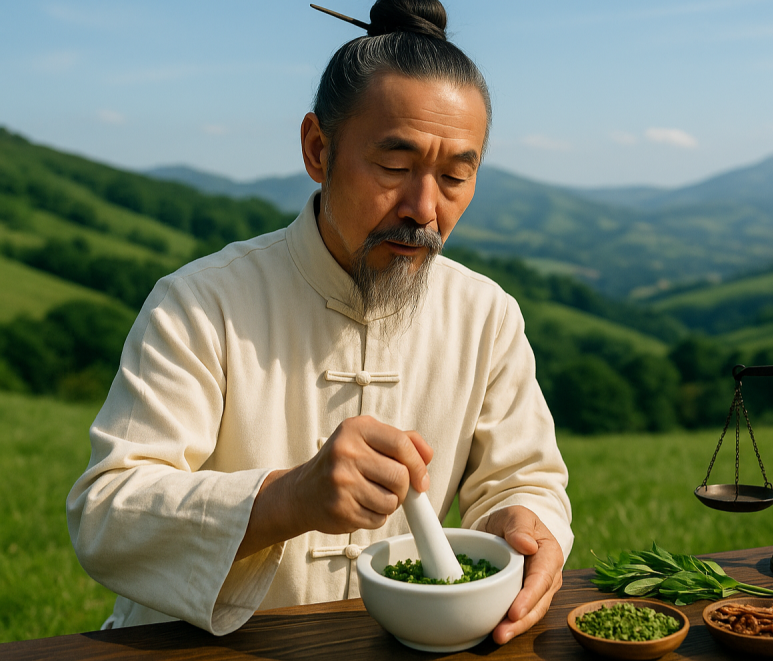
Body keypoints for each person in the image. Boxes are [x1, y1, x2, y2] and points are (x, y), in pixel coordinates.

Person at [66, 0, 572, 645]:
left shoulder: (486, 315)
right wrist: (288, 498)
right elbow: (106, 516)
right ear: (317, 148)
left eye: (454, 175)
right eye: (394, 166)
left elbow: (525, 477)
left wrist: (524, 523)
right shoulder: (201, 303)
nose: (424, 209)